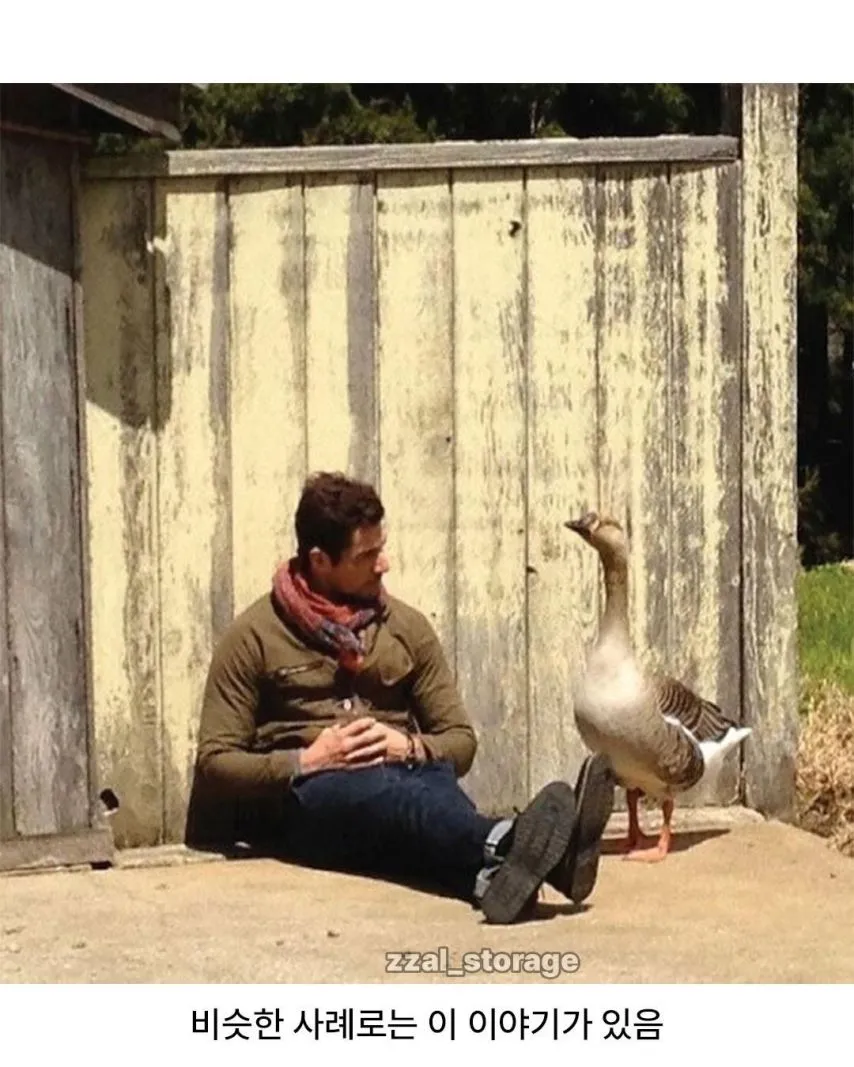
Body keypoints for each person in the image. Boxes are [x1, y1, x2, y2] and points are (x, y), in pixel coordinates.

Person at [195, 471, 615, 924]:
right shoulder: (254, 635)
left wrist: (409, 747)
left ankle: (494, 876)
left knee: (430, 787)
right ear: (320, 560)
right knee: (390, 796)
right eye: (367, 554)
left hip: (410, 777)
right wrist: (306, 761)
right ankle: (513, 842)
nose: (384, 563)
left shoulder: (406, 628)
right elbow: (215, 762)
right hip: (311, 805)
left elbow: (460, 741)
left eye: (382, 547)